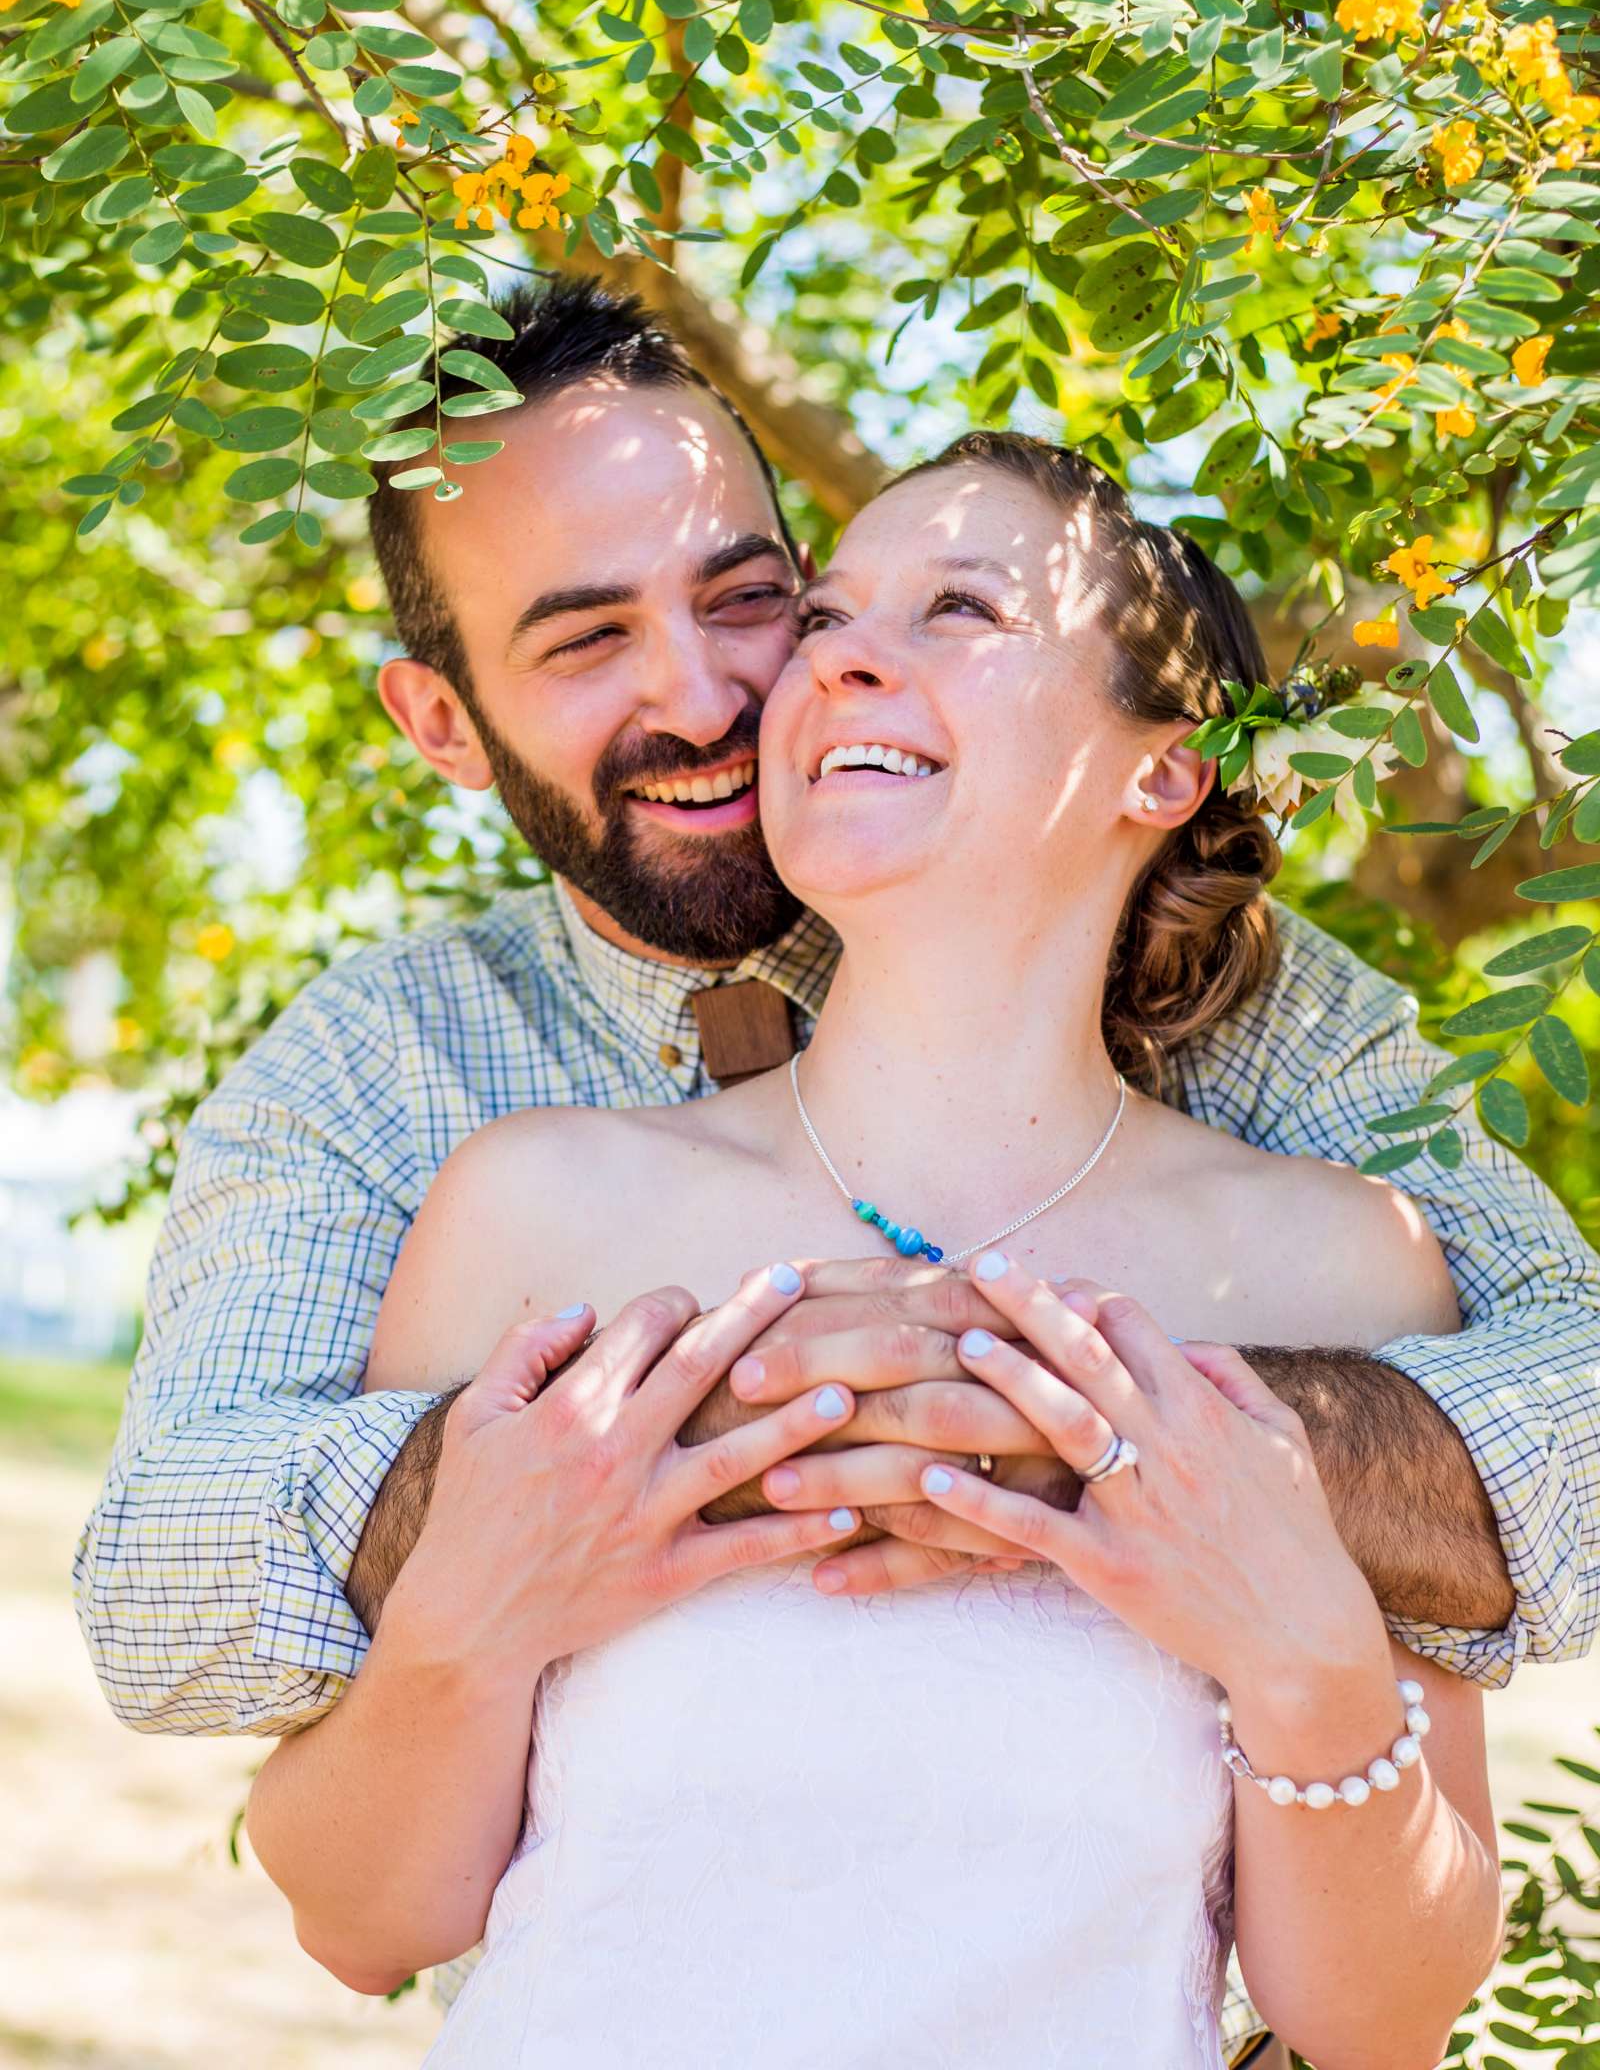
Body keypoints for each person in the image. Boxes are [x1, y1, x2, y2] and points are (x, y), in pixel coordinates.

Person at [73, 279, 1597, 2065]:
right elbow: (190, 1635)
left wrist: (1113, 1427)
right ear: (442, 722)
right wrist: (626, 1453)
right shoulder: (457, 1139)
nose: (721, 689)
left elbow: (1390, 1999)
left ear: (1167, 770)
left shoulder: (1311, 1143)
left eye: (755, 603)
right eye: (583, 643)